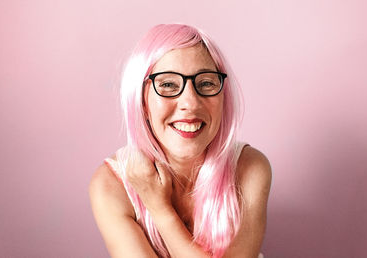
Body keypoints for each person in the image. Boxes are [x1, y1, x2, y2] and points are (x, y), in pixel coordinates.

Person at [89, 24, 272, 258]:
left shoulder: (251, 168)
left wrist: (159, 208)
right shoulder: (110, 186)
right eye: (167, 85)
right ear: (142, 101)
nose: (191, 103)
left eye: (206, 83)